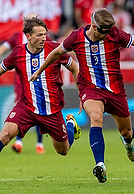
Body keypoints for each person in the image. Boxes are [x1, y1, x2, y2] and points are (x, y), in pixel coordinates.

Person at [30, 8, 134, 183]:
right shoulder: (76, 37)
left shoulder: (115, 34)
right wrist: (39, 72)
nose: (107, 35)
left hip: (116, 90)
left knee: (126, 131)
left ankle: (128, 143)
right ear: (94, 27)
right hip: (90, 88)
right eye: (104, 31)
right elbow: (56, 53)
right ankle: (100, 165)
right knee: (96, 118)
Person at [0, 16, 81, 157]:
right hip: (26, 107)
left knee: (63, 150)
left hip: (52, 110)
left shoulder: (55, 50)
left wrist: (82, 94)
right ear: (28, 36)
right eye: (39, 35)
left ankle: (70, 124)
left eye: (45, 34)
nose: (44, 38)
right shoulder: (17, 53)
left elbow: (75, 69)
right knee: (5, 135)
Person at [0, 14, 54, 154]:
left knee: (39, 109)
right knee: (22, 107)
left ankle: (39, 143)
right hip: (21, 81)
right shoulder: (16, 36)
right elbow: (4, 48)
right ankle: (18, 142)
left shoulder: (42, 37)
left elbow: (57, 50)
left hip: (40, 81)